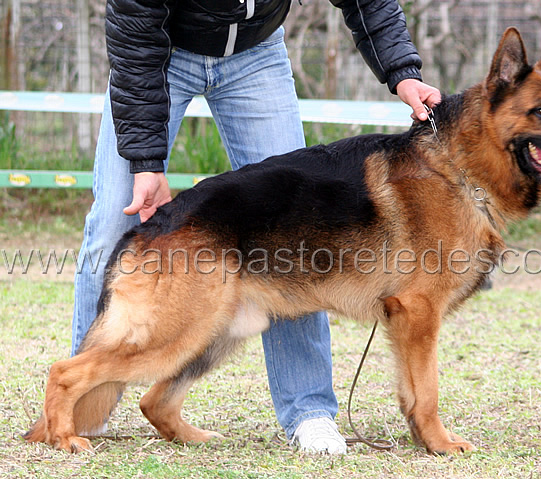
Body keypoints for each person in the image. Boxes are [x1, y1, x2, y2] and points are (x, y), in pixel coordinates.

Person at [72, 0, 441, 455]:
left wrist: (402, 70)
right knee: (115, 220)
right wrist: (146, 162)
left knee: (302, 237)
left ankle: (309, 412)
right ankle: (80, 407)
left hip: (256, 53)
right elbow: (134, 34)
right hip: (161, 53)